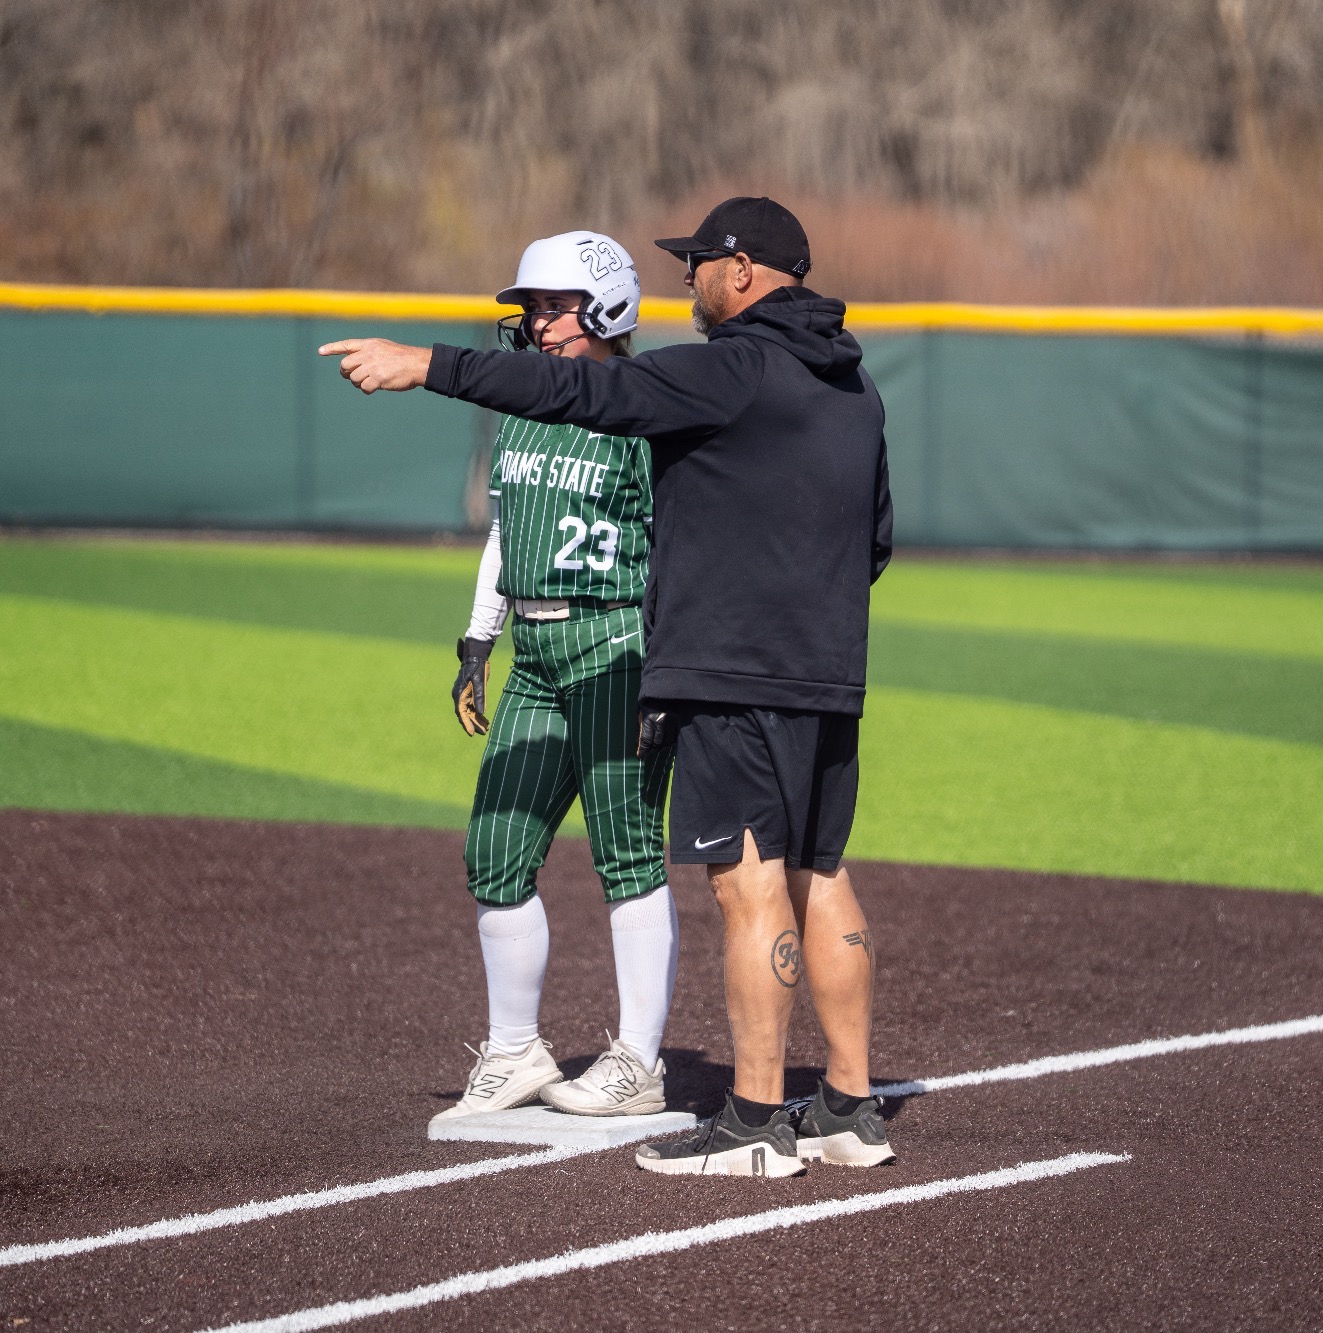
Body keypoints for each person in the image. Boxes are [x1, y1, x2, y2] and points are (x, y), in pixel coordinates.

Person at [322, 197, 894, 1178]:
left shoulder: (733, 365)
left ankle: (755, 1123)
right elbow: (874, 539)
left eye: (699, 265)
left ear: (744, 271)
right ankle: (846, 1106)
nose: (688, 281)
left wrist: (427, 366)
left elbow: (593, 399)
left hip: (731, 666)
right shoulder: (854, 388)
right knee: (820, 872)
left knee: (750, 884)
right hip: (827, 666)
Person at [416, 231, 679, 1127]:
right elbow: (506, 530)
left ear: (606, 306)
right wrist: (477, 638)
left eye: (555, 305)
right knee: (494, 852)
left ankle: (638, 1060)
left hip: (614, 644)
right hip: (534, 652)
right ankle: (515, 1046)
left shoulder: (649, 409)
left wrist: (670, 665)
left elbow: (680, 551)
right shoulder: (524, 402)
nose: (537, 322)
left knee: (627, 855)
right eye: (531, 307)